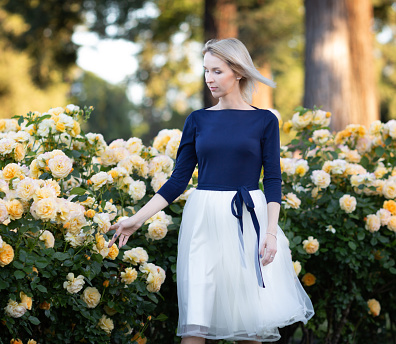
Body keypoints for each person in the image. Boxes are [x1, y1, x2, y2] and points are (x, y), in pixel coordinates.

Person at [108, 38, 314, 344]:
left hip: (247, 220)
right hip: (202, 220)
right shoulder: (198, 120)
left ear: (238, 72)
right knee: (195, 323)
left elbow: (272, 179)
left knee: (249, 327)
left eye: (217, 71)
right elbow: (178, 181)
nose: (209, 78)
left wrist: (270, 233)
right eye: (206, 71)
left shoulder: (265, 121)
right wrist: (136, 219)